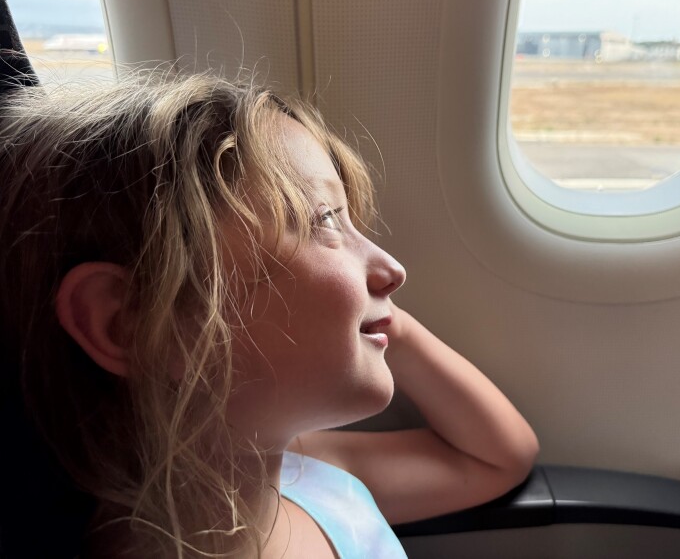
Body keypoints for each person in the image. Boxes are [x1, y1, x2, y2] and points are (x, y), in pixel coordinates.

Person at [0, 70, 539, 558]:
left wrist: (376, 312)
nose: (393, 269)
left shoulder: (305, 472)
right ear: (133, 323)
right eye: (323, 219)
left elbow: (497, 458)